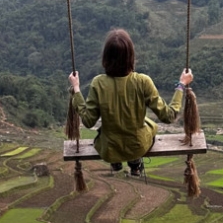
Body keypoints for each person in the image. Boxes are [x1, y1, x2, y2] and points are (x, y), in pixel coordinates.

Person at [69, 29, 194, 176]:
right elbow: (169, 116)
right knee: (147, 125)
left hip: (109, 148)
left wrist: (76, 89)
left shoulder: (98, 83)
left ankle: (115, 162)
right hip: (138, 146)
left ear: (106, 57)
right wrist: (181, 85)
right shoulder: (143, 82)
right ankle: (135, 163)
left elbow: (89, 121)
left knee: (108, 130)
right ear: (131, 56)